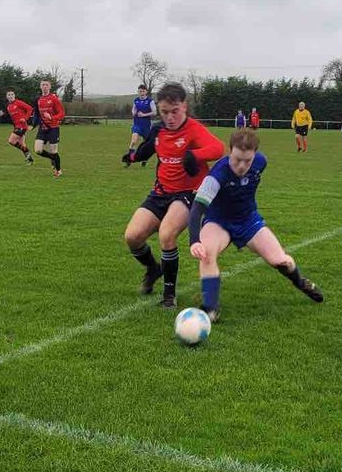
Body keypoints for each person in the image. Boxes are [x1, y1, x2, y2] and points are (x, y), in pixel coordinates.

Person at [188, 129, 324, 322]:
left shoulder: (261, 162)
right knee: (207, 254)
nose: (242, 166)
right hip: (218, 221)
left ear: (255, 155)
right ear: (230, 151)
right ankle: (210, 308)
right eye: (237, 159)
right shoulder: (217, 175)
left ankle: (301, 282)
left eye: (247, 161)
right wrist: (195, 241)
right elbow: (196, 210)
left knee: (281, 261)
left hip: (248, 220)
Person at [122, 83, 226, 308]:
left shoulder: (193, 128)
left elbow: (218, 148)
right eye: (165, 112)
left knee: (167, 234)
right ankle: (153, 269)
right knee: (132, 236)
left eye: (175, 111)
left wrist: (195, 155)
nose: (170, 117)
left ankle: (169, 296)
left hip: (188, 193)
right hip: (160, 192)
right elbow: (147, 149)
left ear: (184, 106)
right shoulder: (158, 130)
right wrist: (132, 157)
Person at [35, 79, 65, 177]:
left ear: (50, 87)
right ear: (40, 87)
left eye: (46, 85)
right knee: (38, 150)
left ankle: (58, 170)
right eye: (43, 85)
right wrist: (33, 124)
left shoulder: (53, 98)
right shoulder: (39, 99)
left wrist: (52, 118)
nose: (44, 86)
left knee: (54, 150)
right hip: (43, 128)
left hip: (53, 128)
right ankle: (52, 158)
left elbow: (61, 113)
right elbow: (37, 113)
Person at [125, 84, 155, 167]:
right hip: (137, 124)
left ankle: (144, 159)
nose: (141, 92)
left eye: (143, 91)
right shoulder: (136, 100)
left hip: (146, 126)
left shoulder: (150, 101)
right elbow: (133, 109)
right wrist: (133, 112)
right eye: (140, 91)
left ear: (146, 92)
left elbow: (154, 112)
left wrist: (144, 114)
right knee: (133, 141)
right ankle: (129, 159)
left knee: (147, 145)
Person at [4, 90, 35, 164]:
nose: (11, 96)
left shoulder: (18, 102)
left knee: (11, 141)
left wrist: (25, 118)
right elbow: (13, 118)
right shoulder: (9, 106)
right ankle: (30, 160)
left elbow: (30, 109)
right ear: (7, 97)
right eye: (9, 95)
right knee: (22, 144)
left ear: (14, 95)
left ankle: (27, 152)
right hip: (16, 126)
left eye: (12, 94)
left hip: (22, 126)